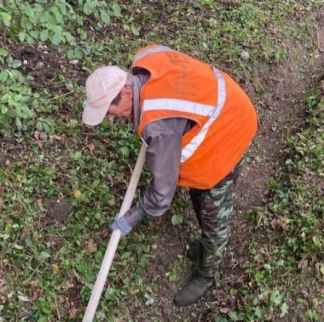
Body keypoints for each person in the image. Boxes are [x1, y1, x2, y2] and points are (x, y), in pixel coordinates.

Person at [82, 44, 257, 306]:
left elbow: (162, 195)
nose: (110, 118)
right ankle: (209, 248)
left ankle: (207, 273)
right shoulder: (145, 57)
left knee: (212, 209)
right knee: (198, 194)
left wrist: (131, 217)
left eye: (109, 111)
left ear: (127, 90)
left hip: (229, 128)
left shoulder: (158, 128)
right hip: (225, 99)